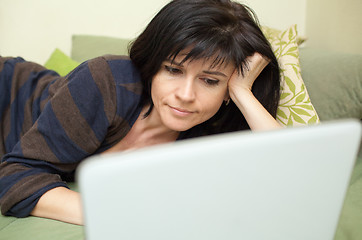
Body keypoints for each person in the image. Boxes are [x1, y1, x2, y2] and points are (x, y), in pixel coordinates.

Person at [0, 0, 281, 225]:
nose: (185, 95)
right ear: (153, 64)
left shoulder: (210, 137)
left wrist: (243, 93)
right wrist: (121, 214)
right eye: (173, 69)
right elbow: (14, 176)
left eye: (210, 80)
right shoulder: (105, 81)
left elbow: (290, 176)